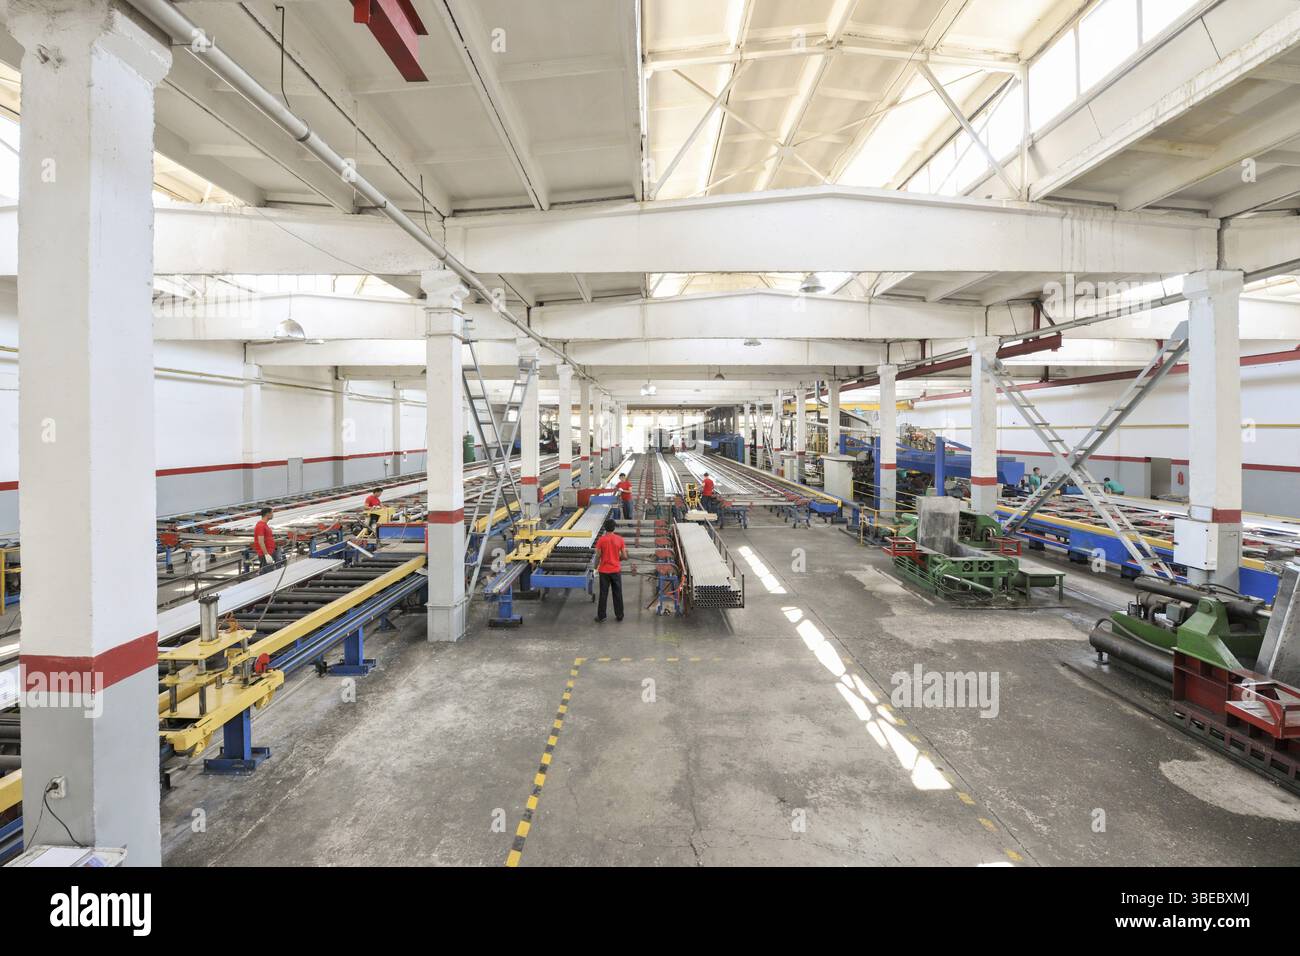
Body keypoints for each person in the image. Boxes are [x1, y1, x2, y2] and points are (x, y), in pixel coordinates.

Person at [593, 518, 627, 623]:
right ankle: (620, 615)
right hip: (616, 570)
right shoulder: (619, 539)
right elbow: (625, 556)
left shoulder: (601, 540)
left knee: (603, 594)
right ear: (614, 527)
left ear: (605, 528)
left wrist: (595, 567)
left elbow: (598, 555)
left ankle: (602, 616)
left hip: (604, 571)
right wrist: (617, 558)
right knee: (617, 593)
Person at [252, 507, 279, 572]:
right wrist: (266, 554)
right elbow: (261, 541)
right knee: (267, 573)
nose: (273, 515)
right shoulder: (260, 526)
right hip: (265, 554)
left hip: (269, 552)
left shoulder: (265, 525)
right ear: (267, 514)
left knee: (269, 571)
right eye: (272, 513)